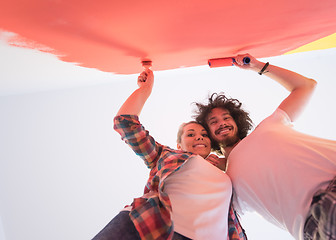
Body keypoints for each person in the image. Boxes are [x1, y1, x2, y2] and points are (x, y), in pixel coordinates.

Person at [194, 54, 336, 240]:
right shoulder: (225, 182)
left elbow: (306, 86)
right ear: (207, 133)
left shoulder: (270, 124)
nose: (222, 123)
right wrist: (203, 167)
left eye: (226, 117)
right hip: (325, 223)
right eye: (213, 122)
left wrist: (257, 66)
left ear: (237, 121)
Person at [92, 69, 247, 240]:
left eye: (204, 134)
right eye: (190, 134)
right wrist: (145, 90)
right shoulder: (163, 155)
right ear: (179, 145)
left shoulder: (225, 169)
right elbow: (125, 122)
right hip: (148, 227)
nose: (199, 136)